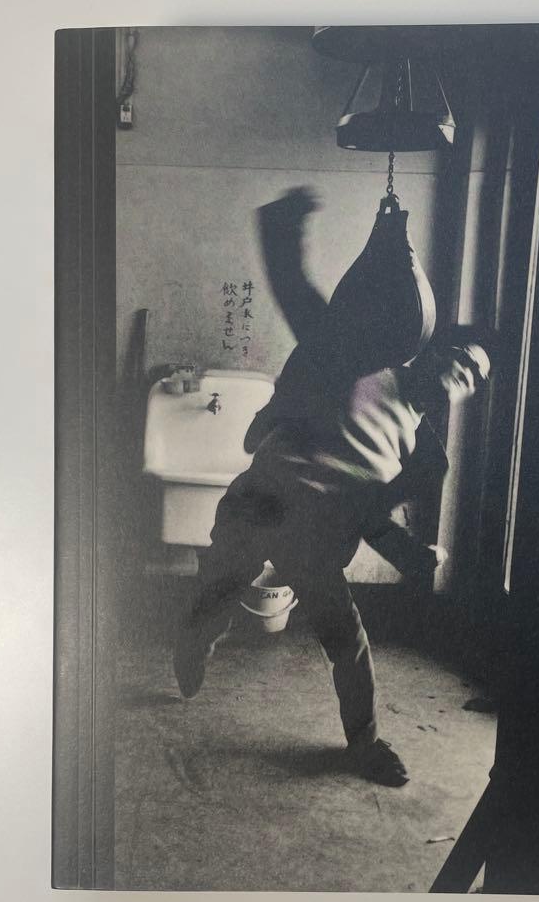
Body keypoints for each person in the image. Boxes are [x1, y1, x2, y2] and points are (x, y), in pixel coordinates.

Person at [173, 188, 492, 787]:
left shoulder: (421, 451)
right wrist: (283, 230)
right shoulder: (360, 365)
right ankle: (195, 641)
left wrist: (410, 554)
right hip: (259, 503)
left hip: (316, 534)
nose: (463, 376)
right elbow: (300, 299)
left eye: (474, 376)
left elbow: (369, 512)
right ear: (431, 352)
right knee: (217, 599)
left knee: (347, 641)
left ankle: (364, 745)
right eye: (461, 360)